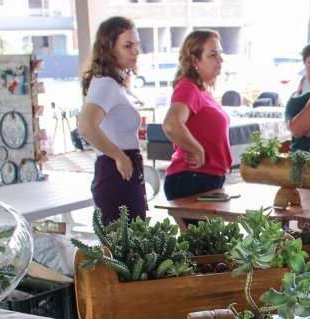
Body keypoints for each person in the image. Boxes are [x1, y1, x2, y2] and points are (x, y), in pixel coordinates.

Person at [78, 16, 146, 227]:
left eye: (136, 45)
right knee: (125, 249)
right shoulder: (106, 83)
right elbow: (86, 125)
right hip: (117, 172)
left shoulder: (112, 82)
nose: (135, 51)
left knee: (131, 246)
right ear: (109, 49)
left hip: (121, 169)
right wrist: (118, 156)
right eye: (127, 46)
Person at [162, 30, 231, 202]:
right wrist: (197, 150)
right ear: (194, 60)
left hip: (206, 178)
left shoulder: (202, 90)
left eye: (220, 53)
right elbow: (171, 124)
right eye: (212, 54)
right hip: (192, 178)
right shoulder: (188, 87)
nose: (220, 59)